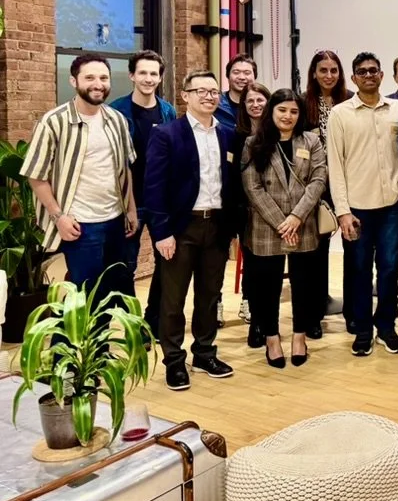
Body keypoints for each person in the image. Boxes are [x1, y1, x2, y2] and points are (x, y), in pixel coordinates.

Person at [22, 53, 137, 313]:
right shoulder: (54, 121)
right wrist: (59, 216)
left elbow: (125, 169)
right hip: (80, 224)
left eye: (103, 77)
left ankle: (100, 351)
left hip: (115, 220)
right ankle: (66, 353)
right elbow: (35, 175)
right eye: (90, 78)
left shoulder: (116, 120)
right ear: (74, 81)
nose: (98, 83)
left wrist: (130, 209)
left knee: (108, 293)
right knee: (83, 295)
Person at [145, 69, 237, 391]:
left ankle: (204, 353)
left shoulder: (227, 134)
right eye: (201, 91)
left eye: (214, 91)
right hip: (181, 229)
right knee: (172, 300)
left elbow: (233, 184)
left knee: (210, 296)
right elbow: (153, 188)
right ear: (185, 96)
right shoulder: (167, 134)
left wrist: (232, 228)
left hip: (217, 226)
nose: (209, 96)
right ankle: (173, 360)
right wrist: (161, 233)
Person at [327, 52, 398, 357]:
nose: (368, 75)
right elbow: (336, 165)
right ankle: (362, 329)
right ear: (354, 78)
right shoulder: (340, 114)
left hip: (392, 205)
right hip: (357, 208)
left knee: (389, 269)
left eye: (373, 70)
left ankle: (386, 326)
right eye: (362, 71)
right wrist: (343, 212)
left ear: (382, 75)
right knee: (358, 269)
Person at [242, 89, 326, 368]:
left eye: (293, 111)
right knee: (267, 286)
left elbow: (318, 180)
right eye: (282, 110)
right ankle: (272, 338)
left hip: (303, 224)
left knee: (304, 285)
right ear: (272, 112)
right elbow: (252, 187)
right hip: (267, 226)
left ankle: (299, 336)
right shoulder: (255, 143)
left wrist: (296, 217)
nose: (287, 116)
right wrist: (281, 221)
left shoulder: (311, 141)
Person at [109, 50, 177, 329]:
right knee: (126, 266)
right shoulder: (116, 111)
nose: (149, 79)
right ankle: (131, 324)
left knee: (167, 263)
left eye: (154, 74)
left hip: (161, 201)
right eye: (143, 73)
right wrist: (126, 205)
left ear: (160, 78)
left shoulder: (167, 110)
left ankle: (155, 319)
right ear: (132, 76)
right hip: (128, 201)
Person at [303, 49, 350, 338]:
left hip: (348, 183)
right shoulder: (302, 102)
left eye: (334, 70)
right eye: (323, 70)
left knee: (353, 246)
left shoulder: (349, 100)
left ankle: (354, 307)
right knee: (315, 251)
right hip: (315, 185)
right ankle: (314, 310)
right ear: (314, 73)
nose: (329, 75)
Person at [231, 81, 270, 346]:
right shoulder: (235, 137)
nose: (255, 105)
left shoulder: (278, 134)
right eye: (250, 101)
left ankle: (270, 323)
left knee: (271, 272)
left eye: (260, 100)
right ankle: (256, 323)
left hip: (276, 213)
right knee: (254, 270)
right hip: (246, 214)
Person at [215, 54, 257, 129]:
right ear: (228, 76)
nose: (242, 77)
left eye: (247, 73)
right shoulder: (216, 103)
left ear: (255, 76)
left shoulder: (263, 105)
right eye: (236, 72)